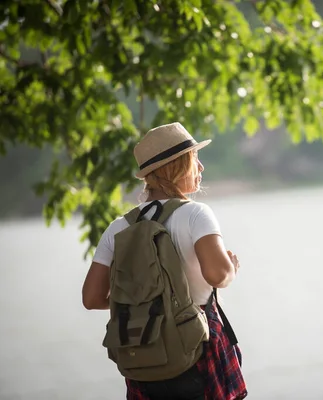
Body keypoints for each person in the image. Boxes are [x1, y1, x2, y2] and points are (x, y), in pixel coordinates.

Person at [81, 122, 247, 400]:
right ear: (178, 166)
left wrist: (149, 304)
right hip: (196, 351)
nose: (201, 168)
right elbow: (218, 276)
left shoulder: (118, 227)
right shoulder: (196, 214)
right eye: (195, 159)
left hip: (143, 358)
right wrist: (232, 268)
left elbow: (91, 298)